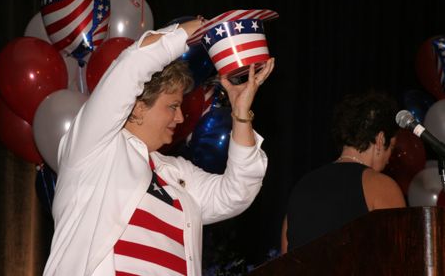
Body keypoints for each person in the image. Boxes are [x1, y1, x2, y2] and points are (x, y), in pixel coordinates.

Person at [43, 18, 275, 276]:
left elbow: (237, 192)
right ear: (139, 106)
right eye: (172, 106)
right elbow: (130, 66)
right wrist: (198, 29)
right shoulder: (94, 147)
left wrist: (241, 112)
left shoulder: (177, 173)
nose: (179, 118)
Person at [281, 90, 406, 253]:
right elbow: (401, 256)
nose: (390, 158)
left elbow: (285, 259)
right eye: (392, 147)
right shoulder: (381, 186)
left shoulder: (301, 187)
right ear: (381, 139)